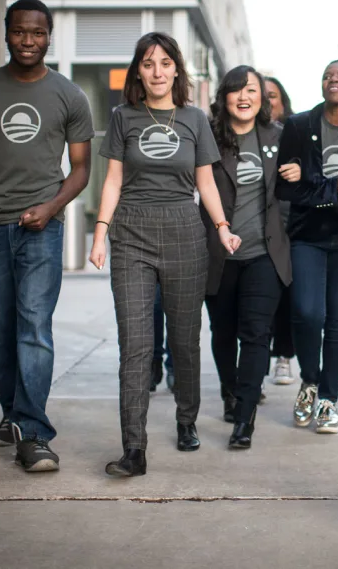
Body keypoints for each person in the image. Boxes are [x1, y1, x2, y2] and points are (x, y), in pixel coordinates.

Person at [0, 0, 94, 472]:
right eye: (19, 32)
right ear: (6, 33)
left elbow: (80, 169)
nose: (27, 41)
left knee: (33, 327)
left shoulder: (70, 96)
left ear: (49, 35)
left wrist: (52, 208)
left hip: (41, 229)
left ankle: (33, 433)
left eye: (36, 33)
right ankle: (13, 413)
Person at [89, 32, 239, 476]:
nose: (157, 71)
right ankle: (134, 448)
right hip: (131, 232)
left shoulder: (194, 119)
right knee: (135, 345)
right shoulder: (122, 117)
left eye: (165, 63)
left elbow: (206, 183)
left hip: (184, 232)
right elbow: (113, 180)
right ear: (139, 70)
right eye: (149, 63)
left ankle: (186, 418)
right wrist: (100, 234)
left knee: (184, 339)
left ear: (177, 69)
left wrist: (223, 228)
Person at [275, 60, 338, 435]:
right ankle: (309, 382)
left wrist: (316, 181)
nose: (333, 79)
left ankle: (329, 399)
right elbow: (286, 187)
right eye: (328, 75)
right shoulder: (300, 126)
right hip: (308, 235)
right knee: (306, 312)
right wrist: (334, 185)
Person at [203, 65, 294, 449]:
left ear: (263, 98)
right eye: (236, 90)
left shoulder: (280, 137)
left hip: (264, 254)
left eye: (252, 90)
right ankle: (230, 390)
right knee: (222, 332)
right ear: (224, 97)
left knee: (256, 335)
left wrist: (300, 171)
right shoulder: (208, 138)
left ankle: (244, 418)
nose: (244, 97)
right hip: (218, 253)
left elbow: (301, 184)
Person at [264, 76, 296, 385]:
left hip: (288, 226)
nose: (266, 101)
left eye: (271, 96)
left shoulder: (292, 135)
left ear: (282, 102)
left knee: (286, 295)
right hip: (254, 228)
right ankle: (258, 362)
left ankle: (284, 356)